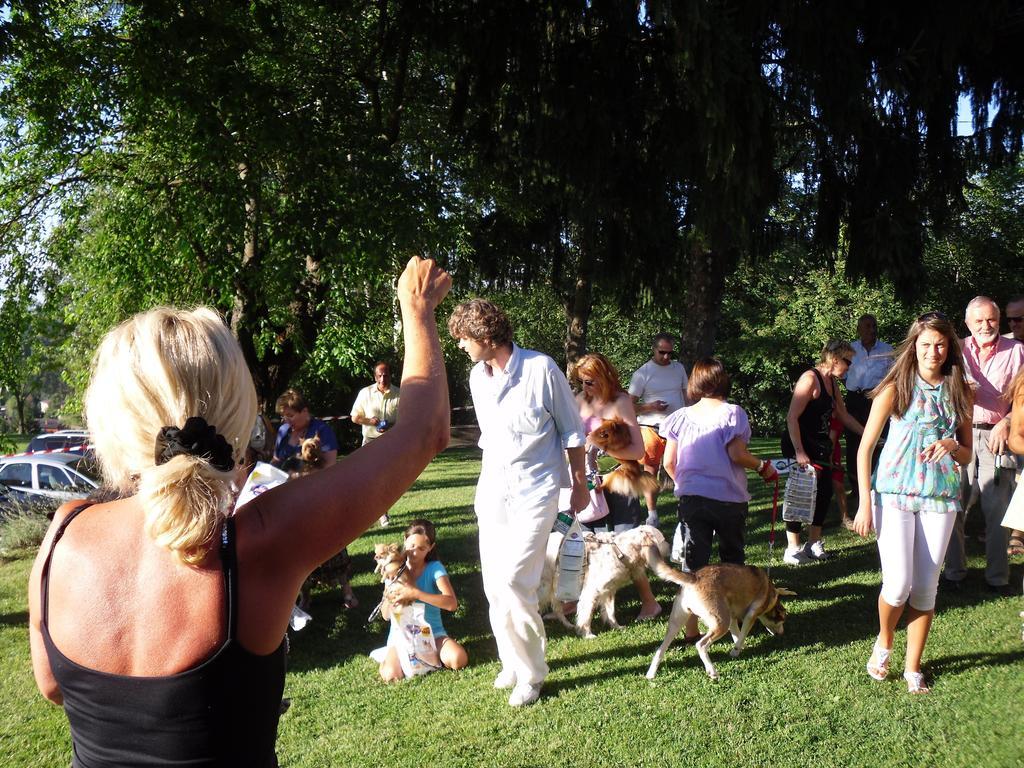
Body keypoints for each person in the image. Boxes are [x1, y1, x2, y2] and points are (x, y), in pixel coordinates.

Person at [28, 257, 452, 766]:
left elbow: (53, 685)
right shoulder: (261, 539)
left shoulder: (63, 533)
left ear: (112, 417)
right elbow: (424, 432)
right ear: (236, 410)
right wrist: (417, 309)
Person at [448, 298, 589, 708]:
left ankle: (532, 674)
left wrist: (578, 484)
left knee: (516, 580)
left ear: (487, 337)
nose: (460, 346)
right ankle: (511, 658)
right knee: (494, 583)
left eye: (464, 338)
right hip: (492, 489)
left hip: (536, 490)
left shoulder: (541, 369)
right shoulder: (478, 377)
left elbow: (572, 433)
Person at [853, 311, 973, 694]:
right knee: (898, 583)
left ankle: (912, 667)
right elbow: (865, 448)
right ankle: (885, 639)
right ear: (914, 346)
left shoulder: (960, 390)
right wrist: (864, 504)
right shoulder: (896, 387)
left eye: (939, 344)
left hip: (941, 496)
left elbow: (968, 453)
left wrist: (953, 445)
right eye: (925, 345)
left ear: (948, 347)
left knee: (925, 587)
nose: (933, 352)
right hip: (894, 493)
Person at [662, 357, 779, 641]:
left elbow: (668, 462)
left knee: (693, 566)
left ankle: (690, 628)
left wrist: (685, 484)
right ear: (723, 381)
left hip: (692, 500)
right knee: (733, 562)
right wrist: (763, 467)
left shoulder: (680, 417)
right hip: (729, 500)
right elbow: (737, 455)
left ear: (695, 383)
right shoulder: (733, 413)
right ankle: (733, 623)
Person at [942, 296, 1024, 594]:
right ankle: (954, 572)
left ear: (999, 320)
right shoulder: (955, 350)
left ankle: (997, 578)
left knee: (996, 509)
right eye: (978, 321)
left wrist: (1009, 420)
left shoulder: (1017, 351)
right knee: (953, 505)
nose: (985, 326)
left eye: (991, 320)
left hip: (998, 435)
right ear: (967, 324)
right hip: (959, 434)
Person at [574, 352, 662, 620]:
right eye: (582, 382)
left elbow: (637, 451)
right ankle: (592, 601)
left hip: (620, 479)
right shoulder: (580, 401)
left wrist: (601, 444)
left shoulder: (621, 401)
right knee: (592, 542)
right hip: (590, 482)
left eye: (590, 382)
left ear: (604, 377)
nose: (585, 388)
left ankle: (650, 602)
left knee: (628, 543)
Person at [782, 340, 864, 564]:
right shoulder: (810, 379)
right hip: (800, 443)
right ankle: (792, 548)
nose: (849, 366)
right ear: (834, 359)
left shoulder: (832, 382)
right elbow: (792, 418)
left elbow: (843, 415)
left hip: (819, 445)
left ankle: (813, 543)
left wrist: (868, 434)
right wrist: (799, 452)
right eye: (848, 361)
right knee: (801, 493)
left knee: (824, 491)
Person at [378, 519, 469, 681]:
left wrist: (416, 594)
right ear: (405, 541)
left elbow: (452, 604)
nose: (414, 553)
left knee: (458, 659)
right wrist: (388, 596)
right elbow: (385, 616)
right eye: (411, 546)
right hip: (401, 636)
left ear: (430, 548)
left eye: (421, 548)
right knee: (391, 675)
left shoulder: (434, 569)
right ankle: (393, 658)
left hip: (432, 633)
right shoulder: (394, 568)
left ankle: (424, 656)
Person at [628, 333, 689, 526]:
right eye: (662, 352)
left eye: (670, 353)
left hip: (678, 428)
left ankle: (688, 507)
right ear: (654, 350)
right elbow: (629, 406)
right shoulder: (642, 373)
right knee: (650, 471)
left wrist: (691, 415)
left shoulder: (679, 368)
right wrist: (651, 407)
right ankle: (652, 514)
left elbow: (687, 396)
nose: (666, 357)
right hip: (651, 427)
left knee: (682, 467)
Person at [845, 314, 894, 496]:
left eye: (874, 326)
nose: (871, 330)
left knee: (879, 440)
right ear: (858, 329)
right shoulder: (850, 350)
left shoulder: (888, 350)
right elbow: (843, 374)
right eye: (867, 326)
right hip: (855, 400)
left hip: (877, 399)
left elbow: (893, 377)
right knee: (853, 443)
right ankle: (856, 487)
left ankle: (877, 483)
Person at [351, 361, 401, 526]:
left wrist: (391, 425)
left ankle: (382, 512)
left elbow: (405, 420)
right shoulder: (365, 393)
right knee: (369, 480)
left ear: (390, 375)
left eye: (385, 374)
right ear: (375, 376)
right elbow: (355, 417)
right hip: (370, 443)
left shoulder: (399, 394)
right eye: (379, 375)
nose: (382, 378)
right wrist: (370, 421)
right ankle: (374, 513)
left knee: (385, 480)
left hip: (390, 443)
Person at [1001, 295, 1024, 555]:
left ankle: (1018, 531)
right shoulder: (1005, 344)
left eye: (1019, 319)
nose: (1014, 324)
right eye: (1010, 319)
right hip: (1007, 419)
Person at [273, 389, 339, 467]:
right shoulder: (283, 430)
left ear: (305, 411)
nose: (286, 420)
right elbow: (275, 460)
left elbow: (329, 466)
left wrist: (297, 475)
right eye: (283, 416)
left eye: (290, 416)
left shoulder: (323, 431)